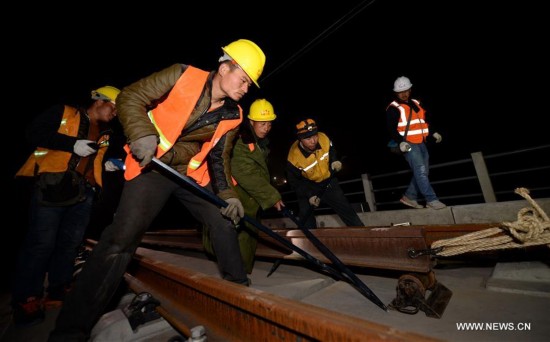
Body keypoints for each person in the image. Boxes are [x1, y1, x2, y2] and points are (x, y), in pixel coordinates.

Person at [48, 38, 266, 341]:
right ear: (224, 66)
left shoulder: (235, 115)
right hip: (151, 167)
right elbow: (129, 98)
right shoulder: (181, 74)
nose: (245, 88)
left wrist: (228, 195)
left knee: (222, 220)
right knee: (120, 241)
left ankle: (237, 290)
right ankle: (70, 330)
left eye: (249, 84)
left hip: (189, 176)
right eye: (243, 79)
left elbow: (219, 157)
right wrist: (142, 134)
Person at [12, 85, 121, 327]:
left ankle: (58, 289)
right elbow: (33, 133)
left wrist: (108, 167)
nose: (115, 113)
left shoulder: (106, 133)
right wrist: (71, 144)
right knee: (41, 242)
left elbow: (95, 161)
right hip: (52, 185)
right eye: (113, 107)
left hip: (84, 192)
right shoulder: (63, 112)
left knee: (70, 243)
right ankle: (27, 298)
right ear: (99, 101)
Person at [204, 98, 285, 274]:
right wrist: (271, 196)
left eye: (269, 123)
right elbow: (245, 173)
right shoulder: (241, 141)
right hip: (238, 197)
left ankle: (240, 273)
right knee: (238, 237)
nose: (266, 127)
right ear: (251, 121)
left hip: (250, 199)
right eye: (262, 123)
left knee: (248, 237)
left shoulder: (259, 142)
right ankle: (237, 277)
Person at [286, 118, 364, 229]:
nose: (313, 141)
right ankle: (309, 241)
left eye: (314, 136)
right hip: (308, 185)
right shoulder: (293, 157)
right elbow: (294, 182)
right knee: (306, 216)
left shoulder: (323, 138)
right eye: (308, 138)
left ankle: (361, 233)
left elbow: (331, 150)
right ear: (300, 139)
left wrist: (334, 160)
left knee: (347, 210)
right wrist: (309, 195)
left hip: (328, 181)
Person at [386, 76, 446, 210]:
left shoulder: (415, 102)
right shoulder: (393, 108)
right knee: (421, 170)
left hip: (421, 142)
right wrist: (400, 142)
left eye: (406, 90)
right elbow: (391, 128)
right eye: (401, 92)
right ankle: (431, 199)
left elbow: (422, 121)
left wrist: (432, 132)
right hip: (408, 144)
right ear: (396, 93)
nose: (404, 94)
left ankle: (410, 196)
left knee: (423, 171)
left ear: (410, 89)